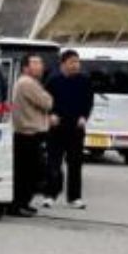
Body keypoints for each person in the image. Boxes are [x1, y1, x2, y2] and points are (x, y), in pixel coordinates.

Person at [43, 49, 93, 210]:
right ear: (63, 63)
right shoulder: (53, 81)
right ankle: (50, 195)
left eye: (78, 62)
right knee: (53, 163)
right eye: (72, 62)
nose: (76, 65)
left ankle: (75, 197)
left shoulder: (84, 81)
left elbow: (88, 102)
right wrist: (50, 115)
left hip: (76, 128)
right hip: (57, 128)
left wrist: (84, 117)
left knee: (75, 164)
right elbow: (45, 102)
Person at [9, 53, 52, 216]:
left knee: (27, 172)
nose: (40, 66)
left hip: (27, 134)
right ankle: (18, 204)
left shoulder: (29, 82)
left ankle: (22, 203)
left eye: (41, 62)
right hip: (28, 134)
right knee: (28, 172)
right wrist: (47, 97)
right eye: (35, 63)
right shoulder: (27, 83)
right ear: (26, 67)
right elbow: (47, 102)